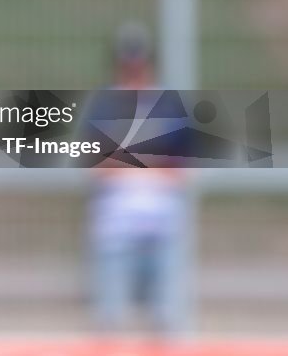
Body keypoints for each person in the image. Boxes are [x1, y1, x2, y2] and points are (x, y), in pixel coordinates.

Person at [86, 22, 193, 338]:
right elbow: (96, 165)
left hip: (162, 223)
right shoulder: (104, 105)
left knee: (166, 325)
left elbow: (181, 166)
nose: (133, 70)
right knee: (110, 325)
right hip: (115, 226)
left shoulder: (168, 105)